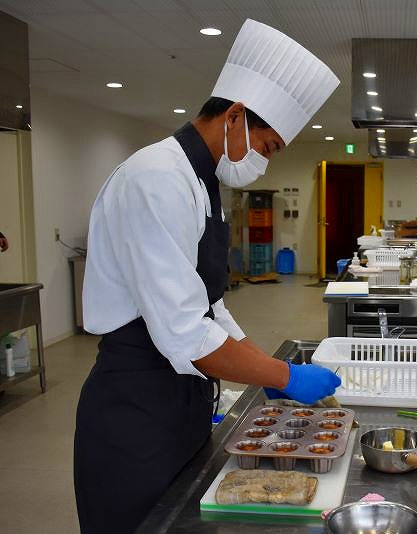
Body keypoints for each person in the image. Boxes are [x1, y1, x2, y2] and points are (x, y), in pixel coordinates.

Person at [74, 20, 341, 534]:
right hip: (136, 407)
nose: (264, 160)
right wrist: (284, 377)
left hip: (182, 398)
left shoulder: (201, 182)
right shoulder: (156, 178)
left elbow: (209, 304)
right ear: (234, 116)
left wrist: (265, 368)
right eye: (269, 145)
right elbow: (184, 331)